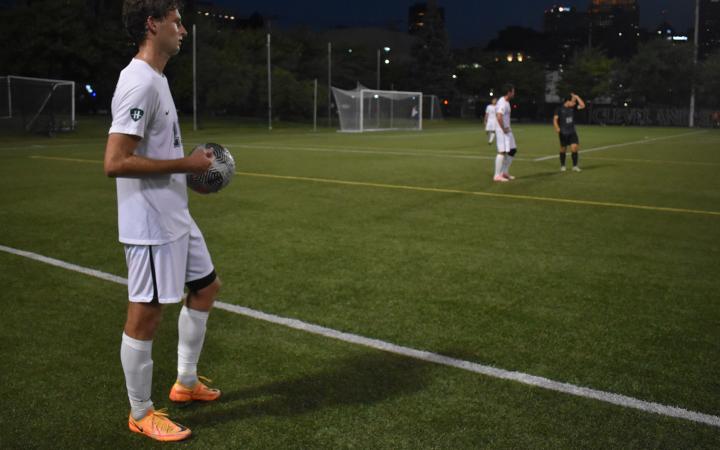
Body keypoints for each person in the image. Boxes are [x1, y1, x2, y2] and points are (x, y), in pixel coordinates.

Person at [104, 0, 222, 442]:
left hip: (176, 216)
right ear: (153, 25)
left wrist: (189, 169)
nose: (183, 30)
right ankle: (140, 412)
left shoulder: (158, 78)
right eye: (176, 22)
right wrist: (186, 164)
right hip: (151, 224)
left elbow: (156, 152)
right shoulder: (139, 84)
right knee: (146, 315)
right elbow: (115, 162)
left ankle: (185, 383)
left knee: (207, 287)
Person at [553, 93, 586, 172]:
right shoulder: (559, 109)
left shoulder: (573, 108)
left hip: (572, 132)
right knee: (563, 149)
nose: (575, 103)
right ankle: (563, 165)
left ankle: (575, 166)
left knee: (574, 148)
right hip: (563, 132)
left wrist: (577, 97)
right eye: (573, 101)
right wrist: (557, 128)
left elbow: (583, 105)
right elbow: (555, 120)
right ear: (568, 101)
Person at [493, 84, 518, 182]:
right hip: (502, 131)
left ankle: (504, 172)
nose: (514, 93)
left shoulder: (506, 102)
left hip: (507, 130)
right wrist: (503, 129)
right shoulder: (502, 102)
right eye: (513, 91)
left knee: (513, 150)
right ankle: (497, 175)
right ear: (509, 92)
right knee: (502, 151)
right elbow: (499, 116)